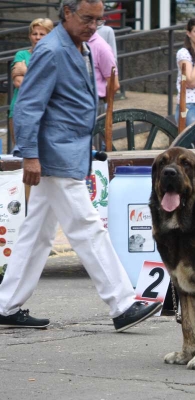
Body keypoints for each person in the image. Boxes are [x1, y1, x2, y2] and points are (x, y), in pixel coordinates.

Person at [0, 0, 161, 331]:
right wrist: (29, 153)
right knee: (88, 228)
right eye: (87, 18)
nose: (93, 26)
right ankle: (122, 303)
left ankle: (6, 304)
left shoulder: (79, 47)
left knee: (38, 235)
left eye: (99, 20)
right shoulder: (52, 49)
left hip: (64, 152)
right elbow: (28, 105)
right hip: (55, 155)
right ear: (67, 13)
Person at [8, 18, 54, 151]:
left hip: (46, 110)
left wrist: (25, 71)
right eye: (35, 34)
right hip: (20, 110)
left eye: (42, 34)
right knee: (22, 152)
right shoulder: (21, 55)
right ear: (29, 36)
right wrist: (41, 80)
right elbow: (18, 82)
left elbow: (53, 84)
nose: (38, 37)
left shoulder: (53, 55)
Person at [176, 17, 195, 126]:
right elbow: (191, 81)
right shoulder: (183, 53)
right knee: (194, 133)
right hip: (188, 104)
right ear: (189, 33)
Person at [88, 30, 120, 115]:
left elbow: (114, 85)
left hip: (94, 103)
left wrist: (104, 101)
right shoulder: (77, 43)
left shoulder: (102, 47)